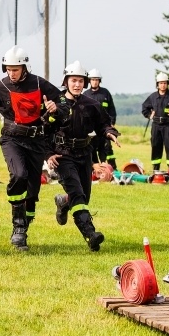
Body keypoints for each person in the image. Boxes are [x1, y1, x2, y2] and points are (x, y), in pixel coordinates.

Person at [0, 46, 62, 251]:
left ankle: (24, 226)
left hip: (36, 141)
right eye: (8, 69)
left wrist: (55, 107)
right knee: (19, 175)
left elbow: (62, 100)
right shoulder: (0, 86)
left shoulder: (40, 83)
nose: (11, 73)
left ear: (24, 67)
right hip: (11, 139)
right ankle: (18, 227)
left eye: (15, 69)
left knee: (32, 190)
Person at [49, 61, 120, 252]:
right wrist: (48, 154)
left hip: (84, 154)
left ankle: (64, 201)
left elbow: (103, 124)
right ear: (66, 81)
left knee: (83, 198)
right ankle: (90, 235)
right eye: (73, 80)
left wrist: (110, 132)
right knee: (78, 195)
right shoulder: (56, 104)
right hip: (62, 155)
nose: (77, 84)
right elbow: (45, 130)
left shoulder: (92, 104)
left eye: (81, 81)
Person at [83, 68, 118, 170]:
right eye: (93, 79)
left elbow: (111, 109)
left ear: (99, 81)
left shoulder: (105, 93)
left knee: (106, 147)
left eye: (97, 80)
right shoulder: (86, 94)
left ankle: (112, 167)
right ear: (89, 81)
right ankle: (95, 169)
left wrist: (112, 123)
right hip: (91, 128)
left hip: (104, 126)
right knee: (92, 147)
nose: (94, 82)